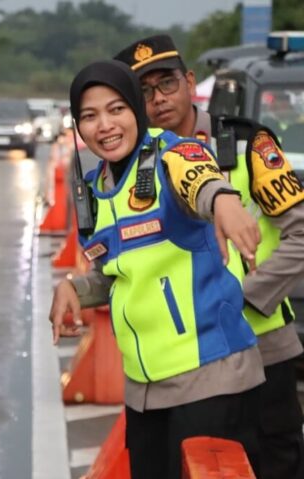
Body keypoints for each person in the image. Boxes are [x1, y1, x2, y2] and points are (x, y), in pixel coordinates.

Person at [51, 59, 266, 479]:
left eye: (116, 109)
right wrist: (76, 287)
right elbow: (117, 268)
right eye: (89, 116)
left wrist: (223, 199)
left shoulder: (171, 154)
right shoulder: (99, 187)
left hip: (211, 381)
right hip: (144, 392)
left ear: (136, 108)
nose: (105, 125)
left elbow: (199, 176)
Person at [115, 35, 304, 479]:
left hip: (262, 346)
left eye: (167, 83)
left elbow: (300, 232)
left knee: (276, 466)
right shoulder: (135, 168)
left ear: (190, 82)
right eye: (143, 91)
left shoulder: (244, 145)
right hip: (186, 368)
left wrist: (242, 298)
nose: (158, 99)